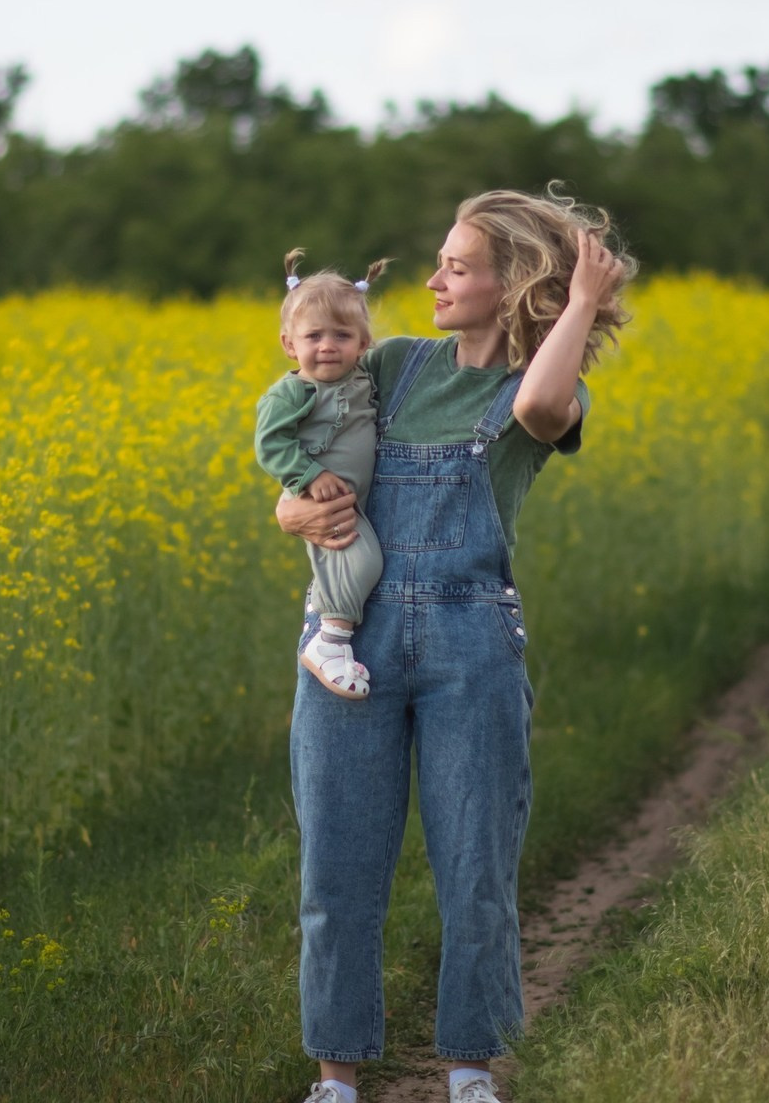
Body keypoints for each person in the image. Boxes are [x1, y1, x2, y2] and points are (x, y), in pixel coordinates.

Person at [276, 186, 636, 1103]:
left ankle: (470, 1070)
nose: (434, 278)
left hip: (471, 646)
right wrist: (291, 506)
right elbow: (304, 443)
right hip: (347, 641)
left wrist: (584, 299)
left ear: (511, 284)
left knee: (476, 870)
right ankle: (337, 1078)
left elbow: (546, 404)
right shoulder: (392, 364)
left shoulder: (542, 390)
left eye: (457, 265)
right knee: (337, 871)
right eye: (440, 261)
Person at [256, 250, 392, 699]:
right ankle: (330, 641)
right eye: (313, 336)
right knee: (361, 558)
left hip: (355, 498)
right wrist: (309, 476)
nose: (327, 345)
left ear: (364, 344)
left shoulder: (363, 380)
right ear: (289, 345)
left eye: (342, 335)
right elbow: (270, 444)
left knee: (355, 560)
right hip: (324, 500)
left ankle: (331, 616)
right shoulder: (293, 391)